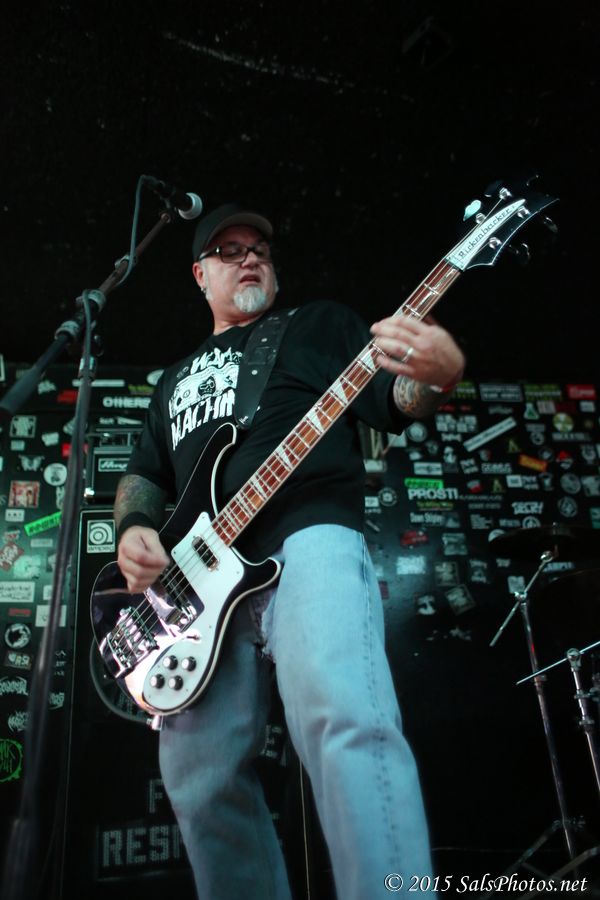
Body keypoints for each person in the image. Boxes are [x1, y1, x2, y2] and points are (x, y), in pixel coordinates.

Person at [114, 202, 465, 899]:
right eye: (229, 250)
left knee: (344, 722)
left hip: (309, 536)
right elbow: (144, 475)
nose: (250, 257)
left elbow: (396, 397)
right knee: (198, 777)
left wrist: (437, 375)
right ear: (199, 275)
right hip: (197, 589)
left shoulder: (318, 325)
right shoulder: (173, 380)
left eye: (260, 249)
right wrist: (132, 530)